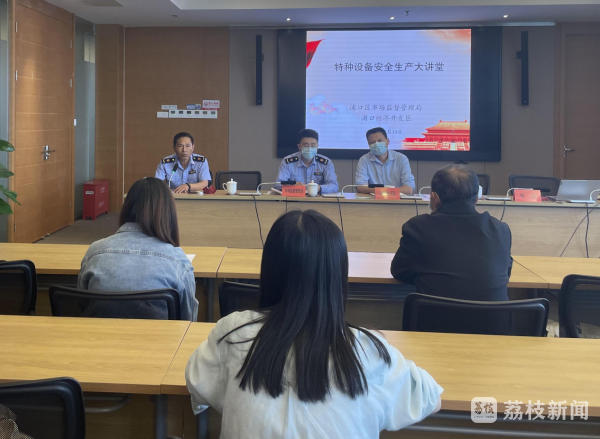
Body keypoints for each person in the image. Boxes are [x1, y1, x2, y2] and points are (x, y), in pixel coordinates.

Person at [186, 210, 442, 438]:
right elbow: (429, 397)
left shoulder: (234, 333)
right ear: (337, 274)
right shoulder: (370, 352)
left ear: (270, 269)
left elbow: (199, 382)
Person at [78, 177, 198, 321]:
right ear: (168, 214)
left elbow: (83, 304)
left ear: (126, 207)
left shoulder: (94, 252)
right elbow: (187, 320)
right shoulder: (178, 261)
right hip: (158, 336)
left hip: (99, 335)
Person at [391, 164, 513, 301]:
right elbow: (505, 273)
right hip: (493, 315)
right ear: (476, 198)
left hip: (433, 314)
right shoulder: (501, 230)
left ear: (434, 197)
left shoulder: (417, 227)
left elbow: (399, 271)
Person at [275, 129, 339, 194]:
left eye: (313, 145)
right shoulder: (288, 162)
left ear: (317, 147)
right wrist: (292, 186)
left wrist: (319, 188)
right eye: (306, 145)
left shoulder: (325, 163)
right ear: (299, 147)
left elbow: (334, 186)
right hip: (294, 198)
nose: (309, 148)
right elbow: (277, 185)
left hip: (317, 198)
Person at [355, 127, 415, 195]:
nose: (377, 144)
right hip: (373, 200)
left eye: (380, 140)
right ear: (369, 145)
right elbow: (360, 187)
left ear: (387, 141)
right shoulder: (364, 160)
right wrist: (384, 191)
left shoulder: (401, 159)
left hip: (397, 200)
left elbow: (409, 188)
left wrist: (384, 191)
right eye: (372, 142)